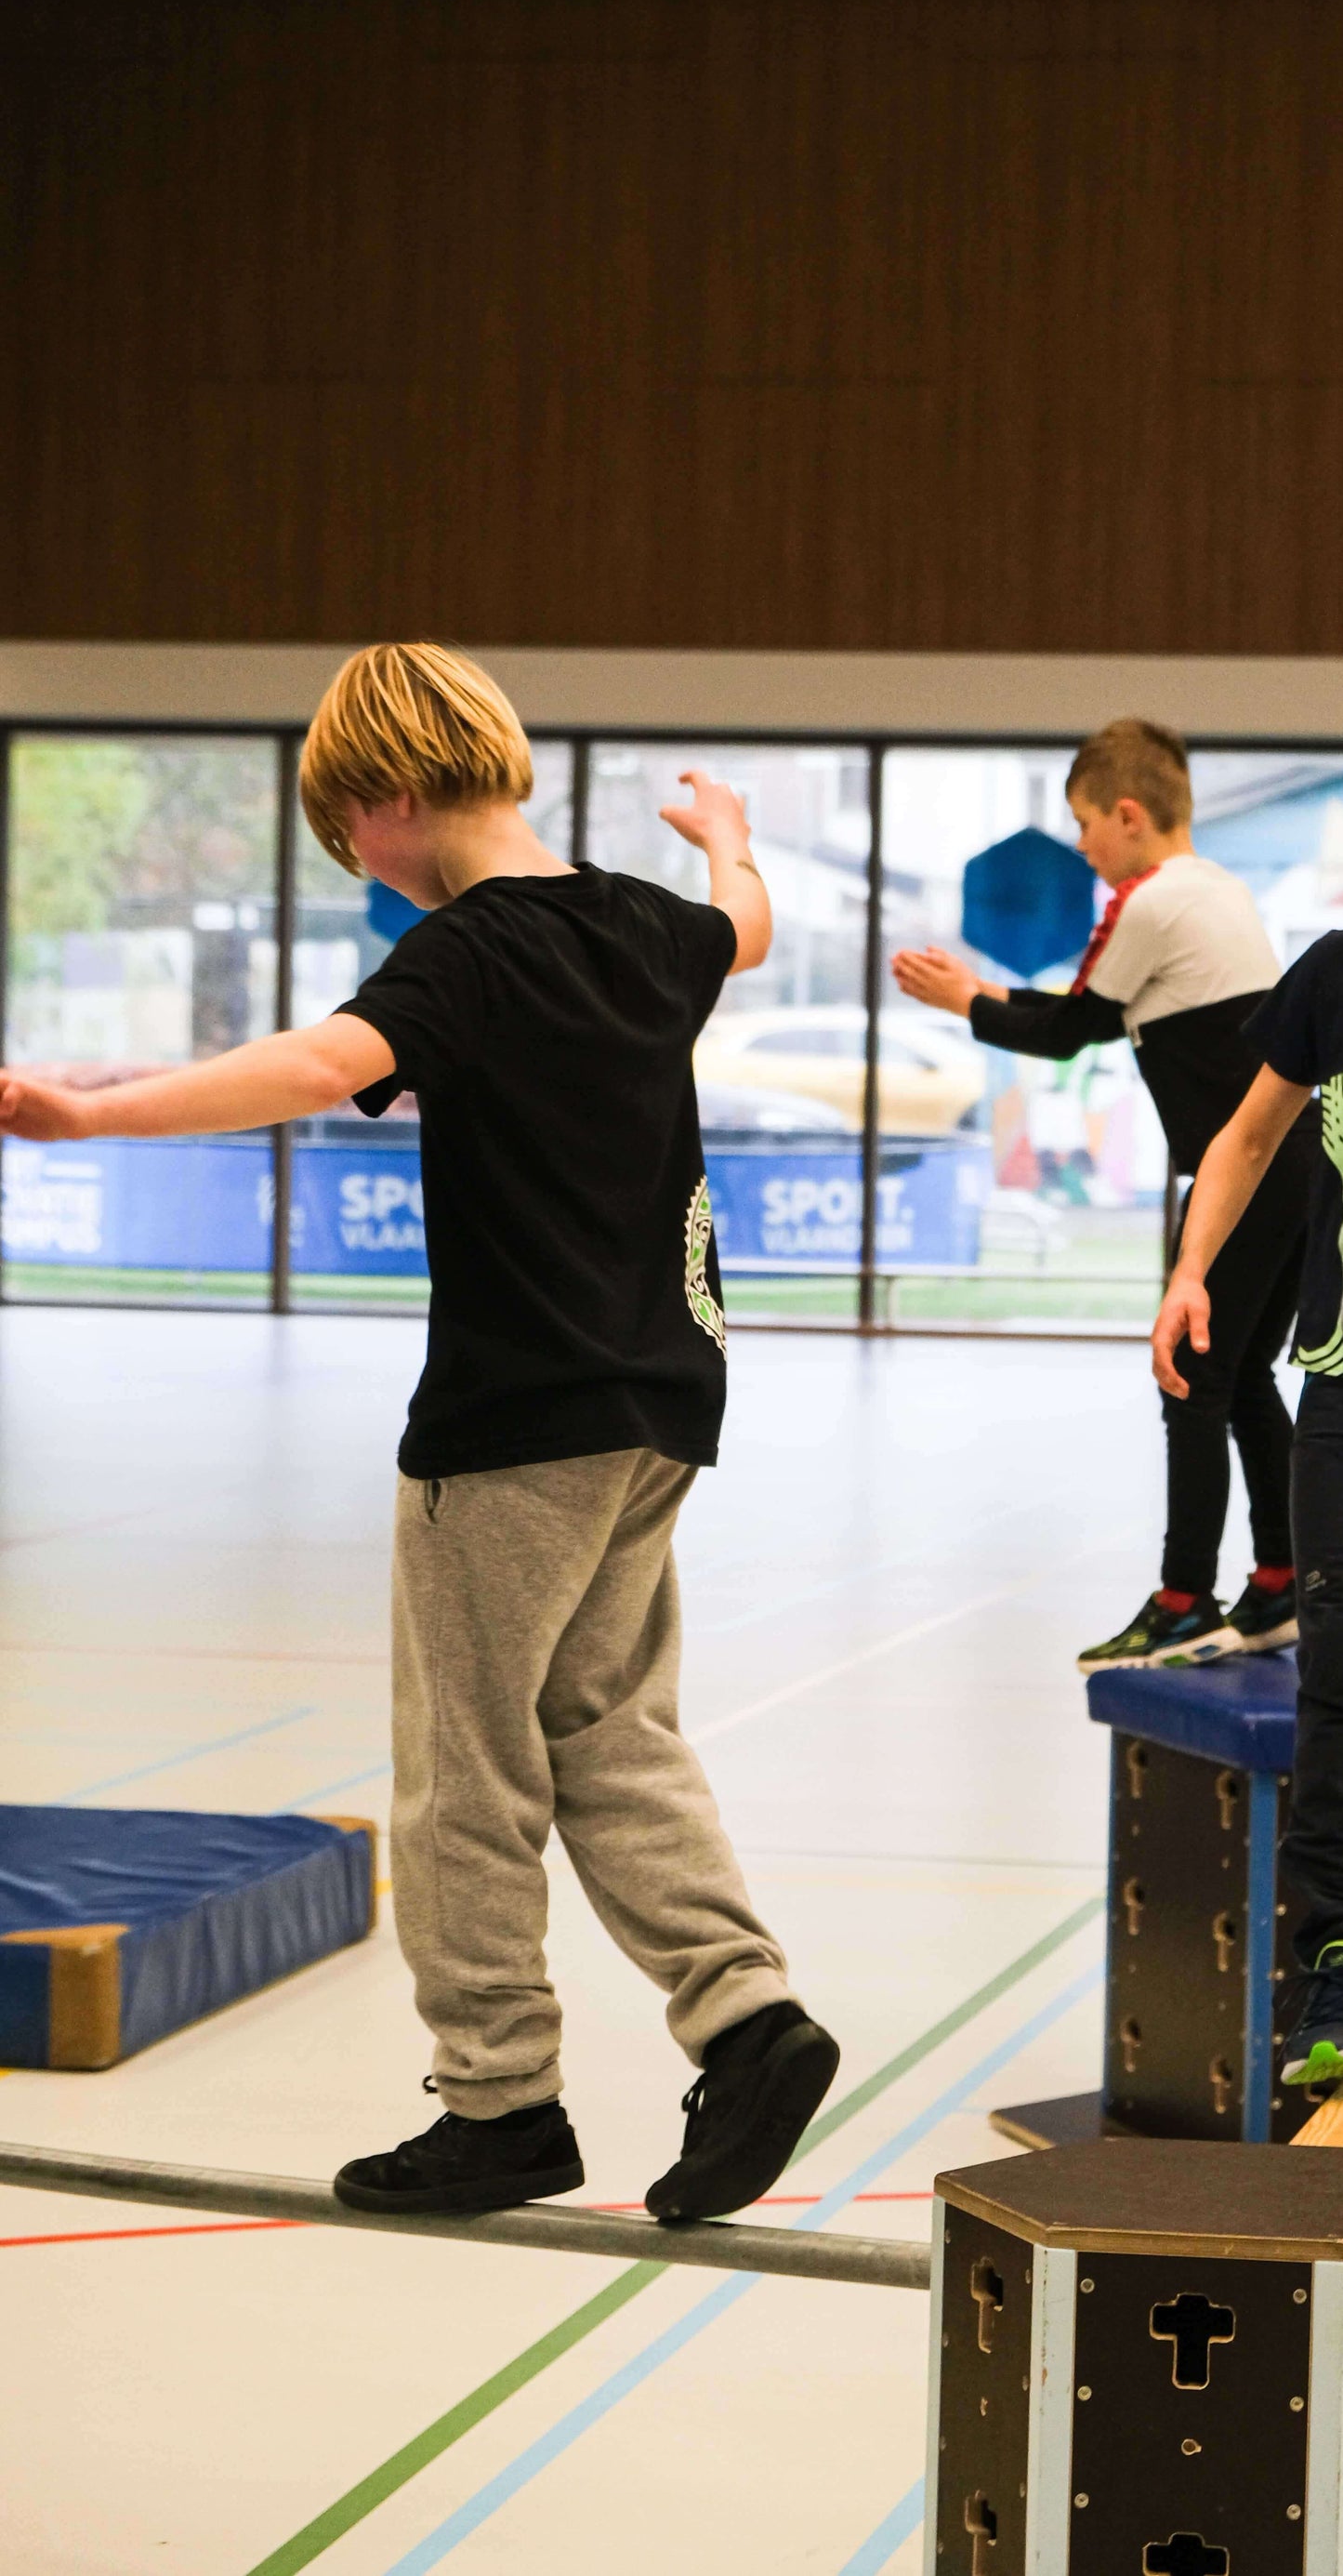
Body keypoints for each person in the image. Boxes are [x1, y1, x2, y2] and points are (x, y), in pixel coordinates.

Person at [0, 641, 838, 2221]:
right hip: (663, 1398)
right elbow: (747, 922)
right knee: (607, 1727)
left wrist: (90, 1115)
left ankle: (499, 2098)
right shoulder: (641, 922)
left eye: (350, 840)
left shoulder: (470, 951)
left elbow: (320, 1063)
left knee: (463, 1769)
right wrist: (726, 832)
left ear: (389, 793)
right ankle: (749, 2020)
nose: (363, 870)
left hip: (515, 1418)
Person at [893, 717, 1317, 1672]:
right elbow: (1089, 1016)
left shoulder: (1149, 902)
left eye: (1085, 823)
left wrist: (963, 1000)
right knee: (1243, 1376)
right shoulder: (1214, 887)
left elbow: (1066, 1032)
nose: (1080, 845)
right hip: (1294, 1168)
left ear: (1128, 815)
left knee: (1191, 1381)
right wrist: (978, 994)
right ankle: (1279, 1579)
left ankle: (1182, 1601)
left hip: (1243, 1172)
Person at [1152, 937, 1343, 2088]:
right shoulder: (1332, 974)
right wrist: (1190, 1273)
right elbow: (1247, 1134)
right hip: (1340, 1386)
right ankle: (1332, 1969)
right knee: (1332, 1684)